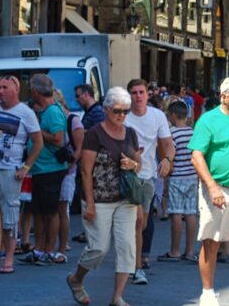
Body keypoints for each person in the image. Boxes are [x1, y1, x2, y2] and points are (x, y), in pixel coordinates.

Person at [66, 87, 142, 306]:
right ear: (107, 109)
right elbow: (86, 171)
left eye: (126, 111)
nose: (122, 116)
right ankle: (76, 279)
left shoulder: (130, 133)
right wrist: (89, 204)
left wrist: (133, 164)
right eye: (118, 111)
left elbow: (139, 164)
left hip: (125, 199)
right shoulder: (94, 134)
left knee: (127, 247)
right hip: (98, 199)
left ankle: (117, 296)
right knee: (98, 248)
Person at [188, 75, 229, 306]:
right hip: (218, 189)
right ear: (224, 95)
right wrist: (211, 186)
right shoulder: (208, 120)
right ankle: (207, 292)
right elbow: (196, 156)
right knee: (211, 241)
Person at [0, 75, 43, 273]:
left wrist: (26, 167)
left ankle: (8, 258)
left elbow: (38, 142)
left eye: (5, 87)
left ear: (16, 90)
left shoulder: (26, 113)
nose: (0, 91)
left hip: (9, 170)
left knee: (8, 218)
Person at [125, 78, 174, 285]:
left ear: (147, 95)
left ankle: (133, 260)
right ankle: (134, 267)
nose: (138, 96)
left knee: (142, 222)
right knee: (135, 222)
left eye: (141, 92)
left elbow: (168, 144)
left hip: (148, 175)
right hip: (126, 176)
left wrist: (166, 160)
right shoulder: (123, 117)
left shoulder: (157, 116)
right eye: (134, 93)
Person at [19, 73, 70, 266]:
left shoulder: (53, 112)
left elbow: (58, 139)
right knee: (39, 211)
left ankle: (49, 250)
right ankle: (39, 249)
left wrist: (36, 132)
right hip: (41, 168)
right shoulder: (47, 110)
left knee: (50, 211)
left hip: (50, 168)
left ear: (35, 91)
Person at [159, 99, 199, 262]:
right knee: (190, 214)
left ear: (173, 116)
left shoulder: (173, 134)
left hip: (177, 177)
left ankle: (175, 250)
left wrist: (167, 178)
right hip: (192, 176)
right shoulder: (193, 133)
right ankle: (189, 251)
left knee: (176, 213)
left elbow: (170, 155)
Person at [55, 90, 85, 259]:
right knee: (53, 209)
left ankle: (62, 244)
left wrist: (70, 165)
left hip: (67, 170)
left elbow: (79, 148)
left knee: (62, 208)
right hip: (52, 169)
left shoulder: (73, 120)